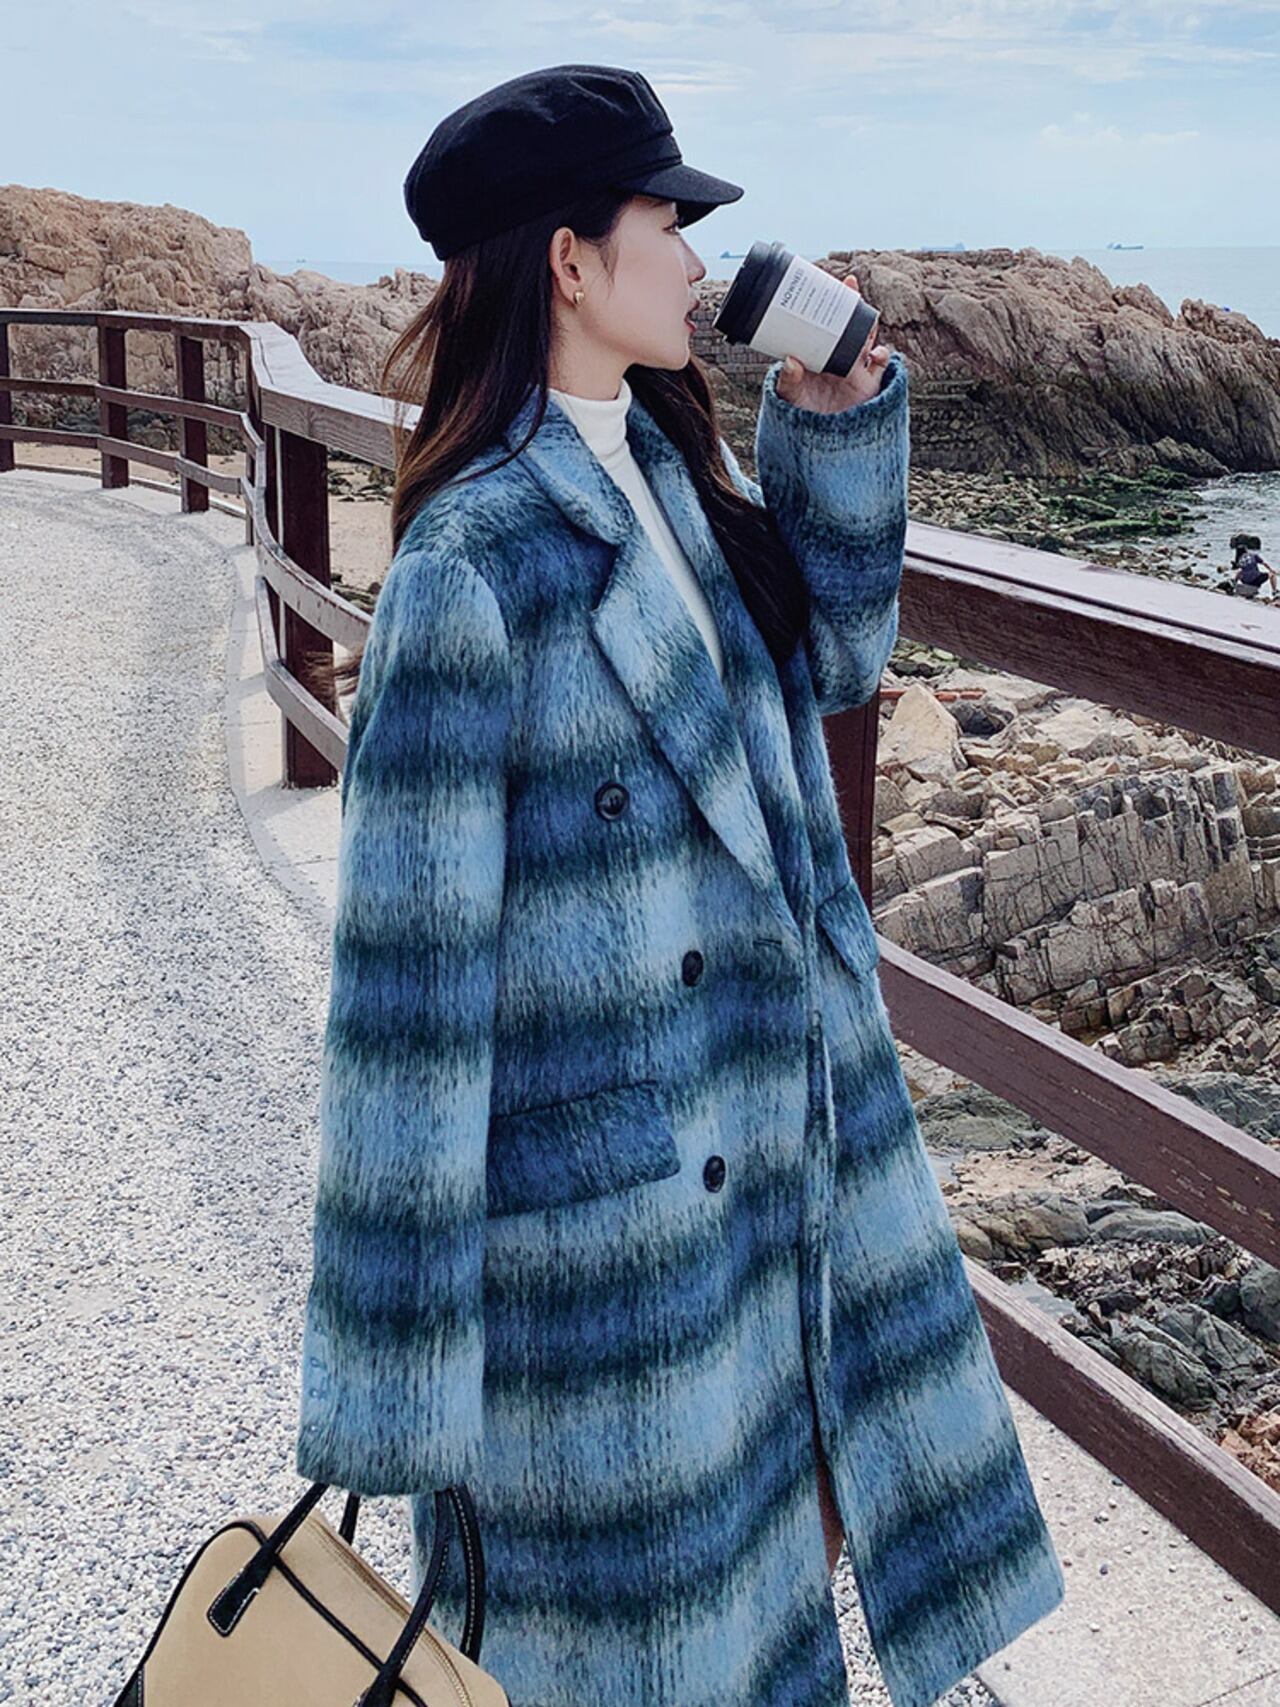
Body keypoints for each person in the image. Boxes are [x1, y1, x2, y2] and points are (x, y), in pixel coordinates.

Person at [294, 62, 1065, 1707]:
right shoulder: (467, 568)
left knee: (766, 1637)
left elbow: (833, 663)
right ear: (571, 262)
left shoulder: (669, 477)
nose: (704, 262)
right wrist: (399, 1414)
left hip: (760, 1189)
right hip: (600, 1280)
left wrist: (835, 426)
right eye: (670, 223)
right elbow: (404, 1014)